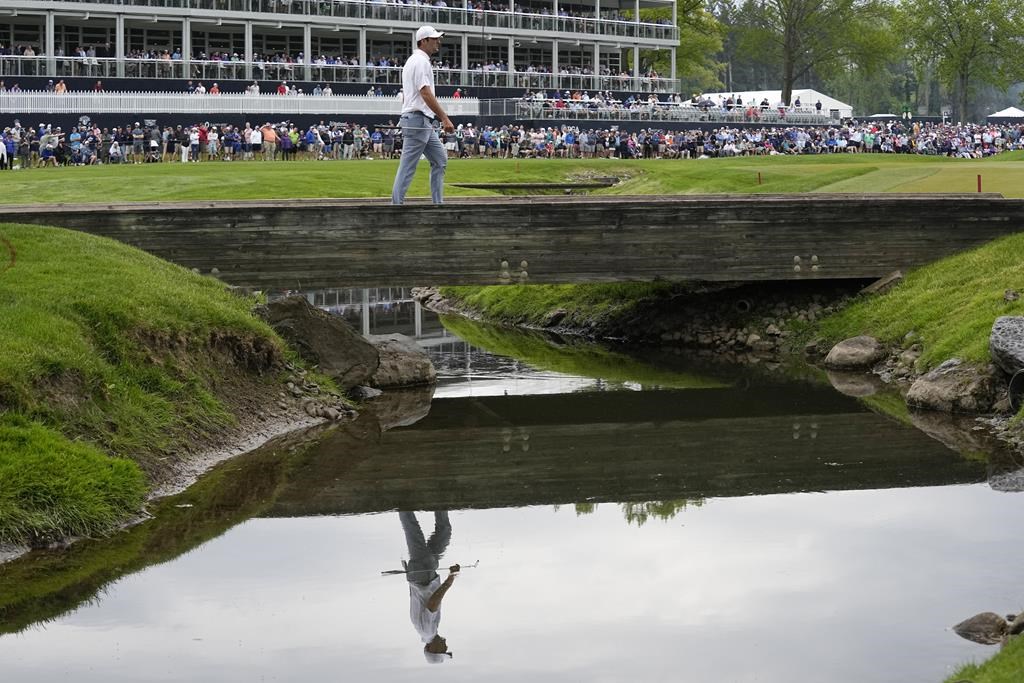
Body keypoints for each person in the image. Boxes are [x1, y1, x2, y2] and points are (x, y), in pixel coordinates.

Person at [391, 26, 455, 205]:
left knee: (440, 160)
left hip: (421, 120)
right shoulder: (420, 61)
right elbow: (425, 93)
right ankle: (395, 207)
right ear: (424, 41)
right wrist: (444, 117)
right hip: (418, 119)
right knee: (408, 166)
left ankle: (438, 204)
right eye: (434, 39)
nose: (438, 42)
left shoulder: (416, 60)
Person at [399, 511, 459, 663]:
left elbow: (432, 604)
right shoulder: (429, 632)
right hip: (427, 574)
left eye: (443, 650)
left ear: (432, 649)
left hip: (421, 576)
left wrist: (450, 580)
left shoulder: (427, 632)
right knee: (444, 533)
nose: (446, 645)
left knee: (413, 532)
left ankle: (403, 504)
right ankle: (439, 503)